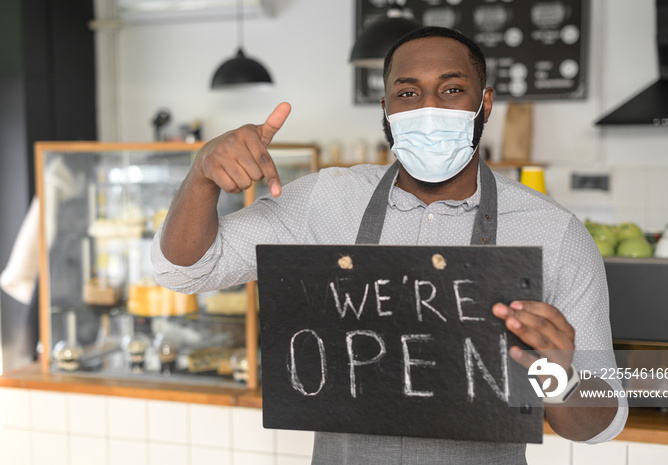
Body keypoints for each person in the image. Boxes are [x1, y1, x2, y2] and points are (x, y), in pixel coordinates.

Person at [152, 26, 627, 464]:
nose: (428, 108)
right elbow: (184, 271)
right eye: (407, 93)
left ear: (485, 103)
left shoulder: (554, 233)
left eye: (452, 90)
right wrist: (201, 176)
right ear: (385, 107)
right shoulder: (324, 202)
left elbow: (600, 425)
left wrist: (558, 378)